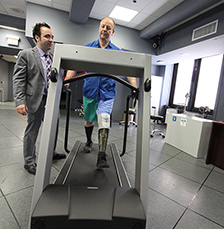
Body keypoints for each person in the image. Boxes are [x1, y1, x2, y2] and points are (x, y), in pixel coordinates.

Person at [65, 17, 137, 168]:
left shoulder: (118, 52)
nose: (105, 29)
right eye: (103, 26)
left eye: (108, 27)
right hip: (89, 92)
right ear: (99, 28)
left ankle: (101, 155)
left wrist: (134, 86)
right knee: (89, 120)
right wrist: (67, 79)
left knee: (104, 121)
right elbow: (74, 64)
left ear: (112, 32)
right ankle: (89, 141)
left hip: (107, 93)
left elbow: (130, 70)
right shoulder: (88, 48)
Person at [13, 22, 66, 175]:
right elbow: (18, 79)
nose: (51, 40)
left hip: (51, 100)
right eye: (47, 36)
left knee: (54, 127)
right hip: (35, 100)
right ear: (37, 37)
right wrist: (20, 101)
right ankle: (29, 161)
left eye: (52, 37)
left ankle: (52, 152)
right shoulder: (26, 54)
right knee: (32, 131)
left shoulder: (51, 57)